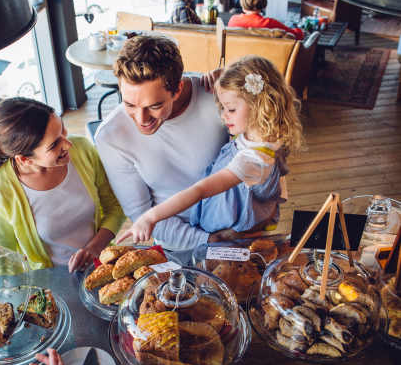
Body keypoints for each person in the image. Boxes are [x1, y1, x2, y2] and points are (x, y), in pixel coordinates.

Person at [117, 55, 303, 243]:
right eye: (222, 108)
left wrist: (150, 217)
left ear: (259, 105)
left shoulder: (254, 160)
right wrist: (223, 76)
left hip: (230, 230)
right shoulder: (262, 133)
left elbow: (200, 190)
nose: (223, 116)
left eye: (230, 109)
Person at [94, 35, 231, 252]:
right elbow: (141, 212)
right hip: (175, 242)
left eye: (154, 106)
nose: (141, 119)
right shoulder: (110, 136)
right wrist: (209, 241)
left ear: (177, 89)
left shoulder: (217, 97)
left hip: (234, 227)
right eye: (129, 104)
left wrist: (239, 80)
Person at [0, 97, 125, 272]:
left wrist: (95, 248)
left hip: (104, 265)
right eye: (54, 144)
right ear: (24, 159)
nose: (68, 144)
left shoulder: (82, 150)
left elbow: (115, 206)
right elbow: (0, 264)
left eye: (62, 130)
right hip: (52, 284)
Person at [228, 0, 304, 40]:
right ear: (264, 2)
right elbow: (297, 35)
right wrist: (297, 28)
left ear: (242, 2)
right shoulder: (269, 23)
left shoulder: (233, 20)